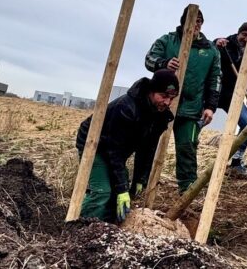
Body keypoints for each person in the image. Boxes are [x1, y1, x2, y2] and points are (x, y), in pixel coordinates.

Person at [75, 70, 179, 222]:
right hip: (95, 145)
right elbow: (114, 150)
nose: (167, 102)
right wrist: (123, 188)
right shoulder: (126, 107)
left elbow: (147, 150)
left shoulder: (159, 115)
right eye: (163, 96)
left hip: (117, 149)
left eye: (171, 98)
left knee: (116, 194)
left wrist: (139, 179)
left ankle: (105, 226)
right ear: (151, 91)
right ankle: (80, 229)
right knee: (102, 192)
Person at [145, 5, 222, 192]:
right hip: (161, 106)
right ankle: (141, 183)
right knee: (148, 144)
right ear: (183, 22)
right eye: (191, 21)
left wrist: (210, 106)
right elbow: (149, 59)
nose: (195, 25)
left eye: (198, 21)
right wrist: (163, 64)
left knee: (188, 147)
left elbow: (216, 80)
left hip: (191, 107)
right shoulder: (167, 40)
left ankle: (187, 188)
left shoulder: (211, 50)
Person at [214, 21, 247, 177]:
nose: (246, 39)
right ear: (238, 33)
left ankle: (236, 161)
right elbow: (210, 50)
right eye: (244, 35)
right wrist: (215, 43)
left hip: (234, 95)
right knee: (199, 120)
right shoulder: (225, 44)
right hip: (216, 92)